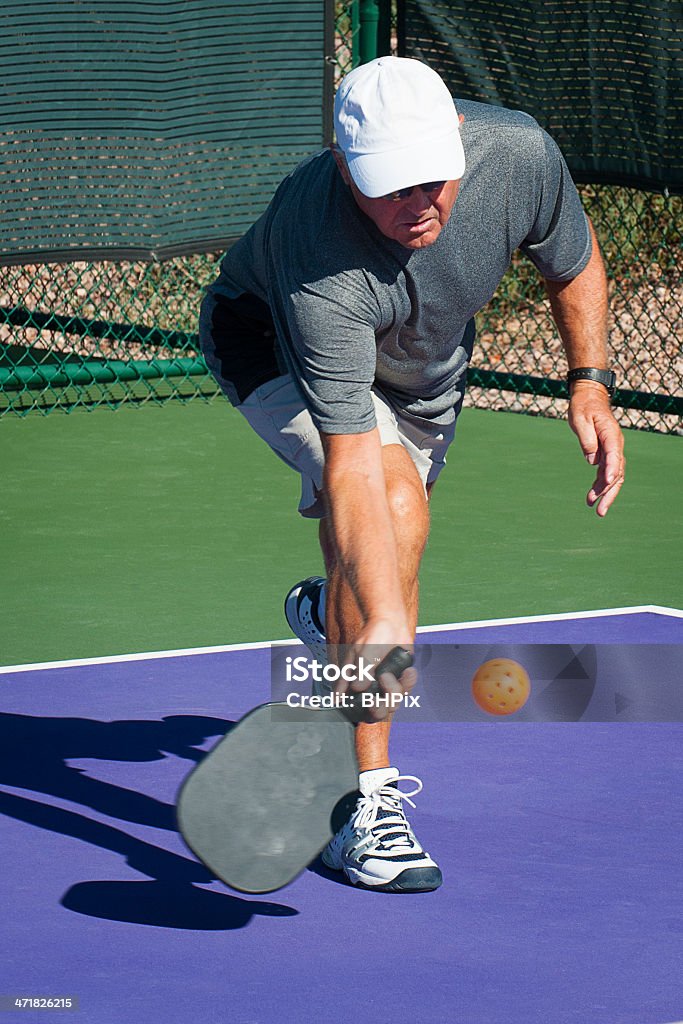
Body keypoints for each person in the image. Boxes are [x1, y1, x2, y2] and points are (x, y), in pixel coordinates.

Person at [199, 56, 626, 893]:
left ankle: (336, 614)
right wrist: (386, 615)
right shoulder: (316, 247)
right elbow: (356, 460)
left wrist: (589, 381)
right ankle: (366, 809)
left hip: (425, 371)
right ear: (342, 165)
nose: (418, 202)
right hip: (272, 346)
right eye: (389, 186)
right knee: (389, 514)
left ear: (460, 142)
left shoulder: (518, 155)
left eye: (433, 177)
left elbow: (570, 260)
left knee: (388, 550)